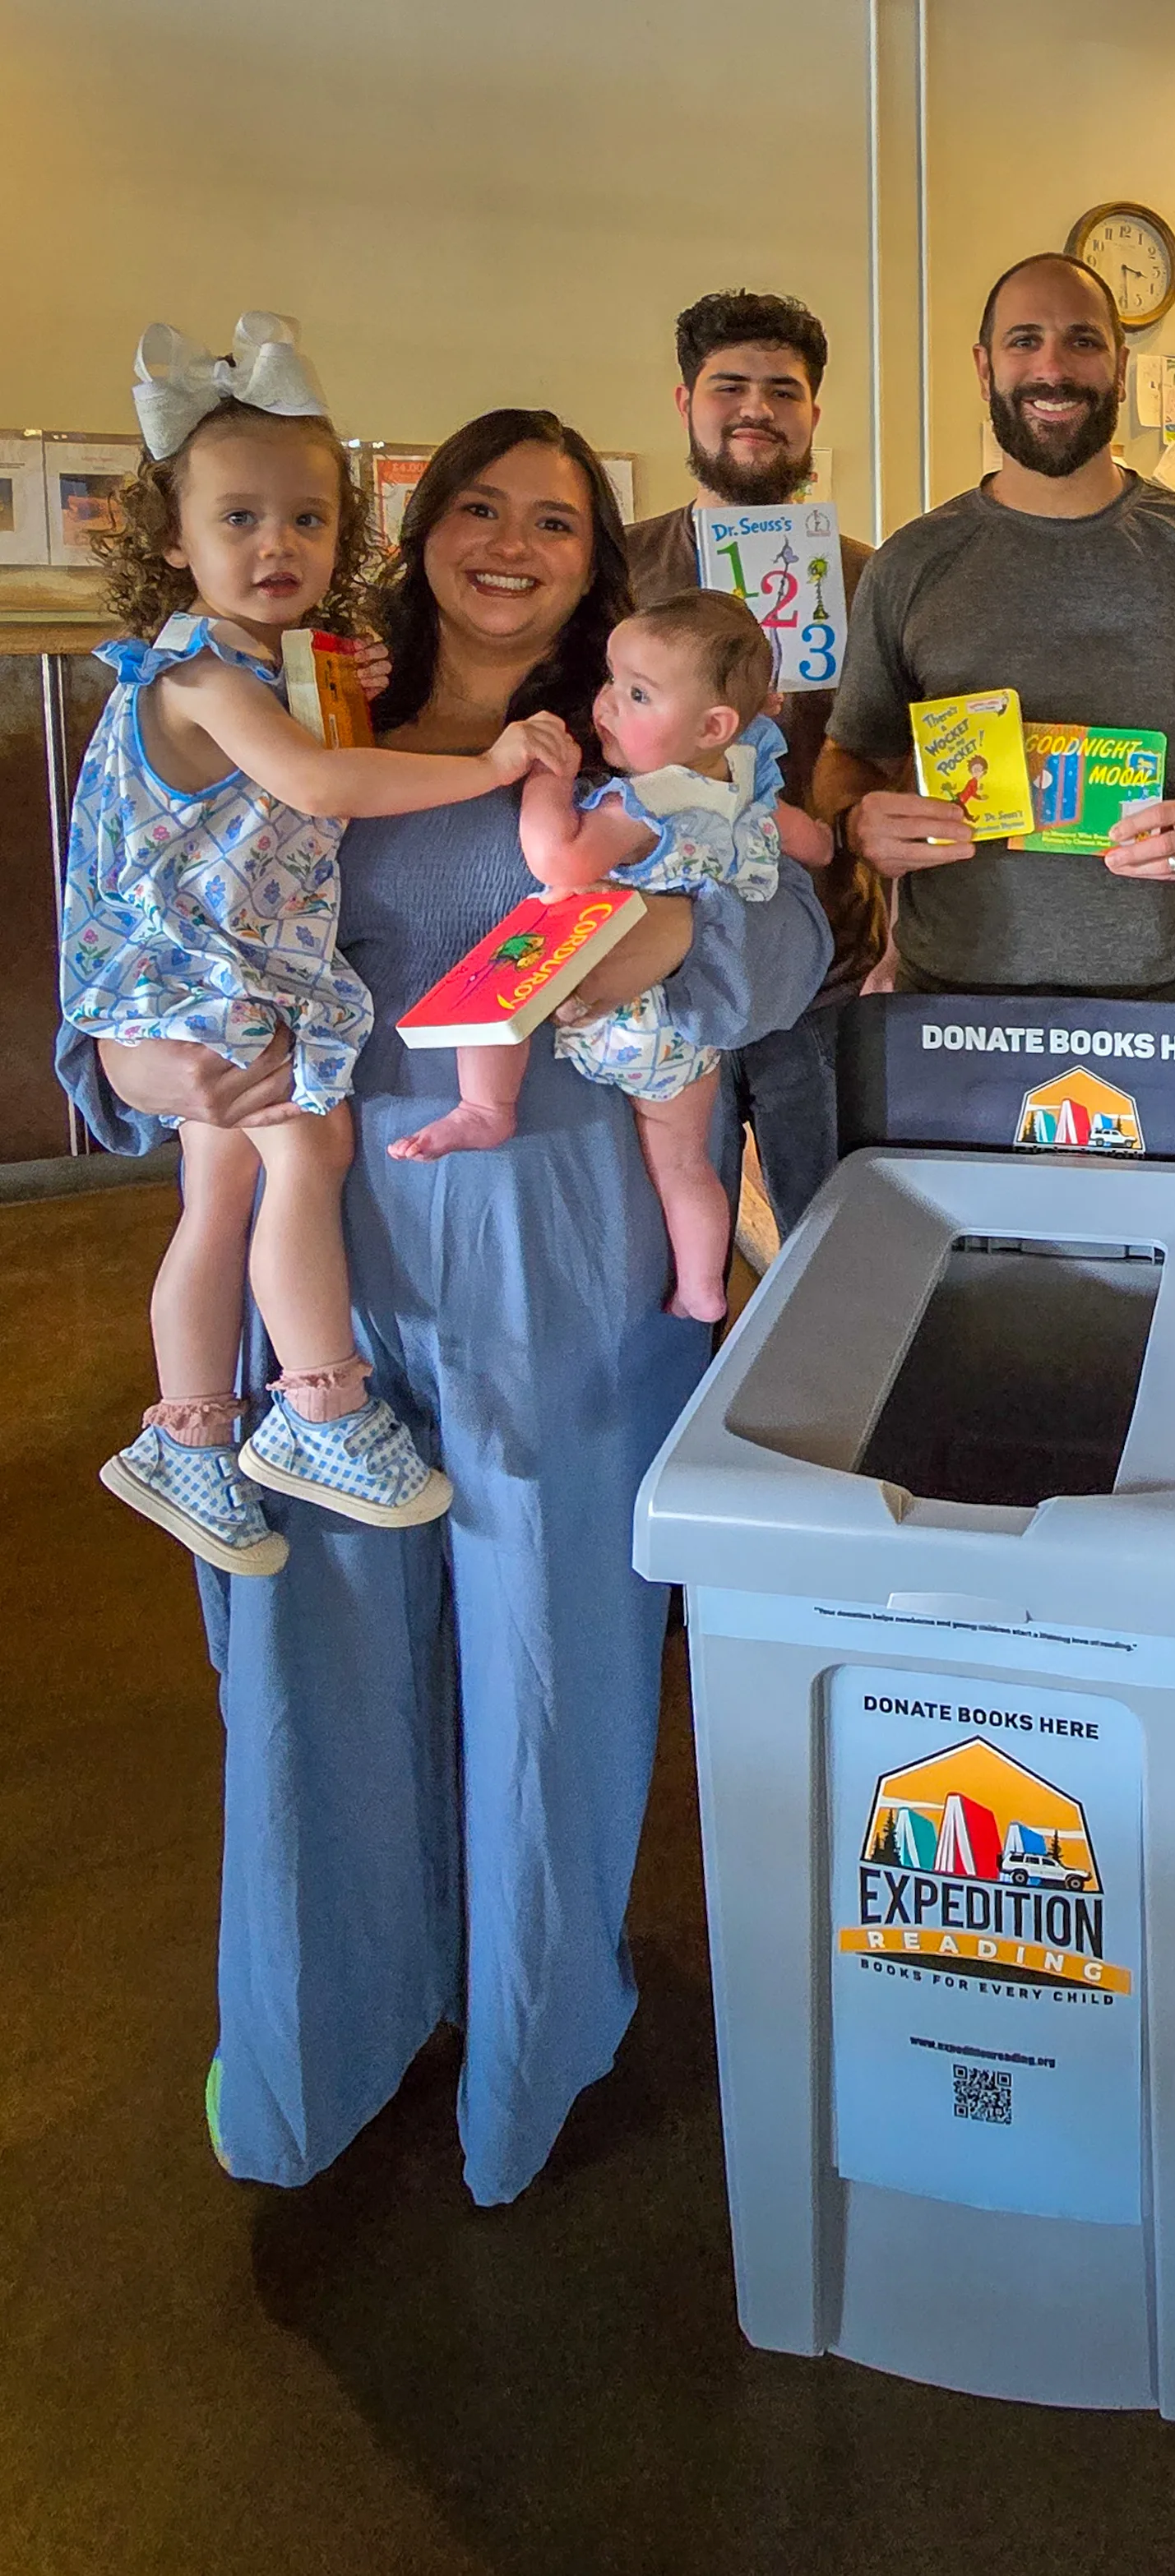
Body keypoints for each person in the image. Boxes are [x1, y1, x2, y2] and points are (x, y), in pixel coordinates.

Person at [58, 409, 832, 2203]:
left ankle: (533, 2044)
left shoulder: (643, 747)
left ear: (599, 556)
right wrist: (136, 1068)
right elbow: (133, 937)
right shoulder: (303, 726)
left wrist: (647, 949)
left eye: (555, 519)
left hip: (569, 1259)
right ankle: (324, 2040)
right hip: (328, 1261)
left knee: (552, 1668)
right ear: (414, 536)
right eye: (477, 506)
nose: (511, 541)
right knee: (318, 1662)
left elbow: (774, 939)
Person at [66, 314, 565, 1577]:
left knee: (217, 1196)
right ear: (173, 537)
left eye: (307, 520)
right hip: (204, 973)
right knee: (309, 1144)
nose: (276, 545)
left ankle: (188, 1433)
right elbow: (321, 786)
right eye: (238, 519)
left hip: (188, 969)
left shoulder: (245, 667)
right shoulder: (203, 680)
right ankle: (321, 1401)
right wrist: (495, 766)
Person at [814, 252, 1175, 1001]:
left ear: (1122, 364)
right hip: (950, 998)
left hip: (1156, 998)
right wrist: (855, 822)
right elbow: (848, 758)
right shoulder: (910, 564)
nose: (1053, 367)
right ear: (984, 369)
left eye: (1082, 341)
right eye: (1023, 341)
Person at [391, 590, 821, 1324]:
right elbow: (811, 843)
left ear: (711, 724)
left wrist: (548, 780)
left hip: (614, 1010)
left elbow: (559, 861)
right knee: (682, 1162)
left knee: (496, 988)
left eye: (638, 694)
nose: (607, 705)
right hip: (689, 1030)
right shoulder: (746, 780)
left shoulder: (645, 803)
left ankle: (484, 1107)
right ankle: (702, 1286)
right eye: (613, 681)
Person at [626, 289, 881, 1228]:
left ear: (813, 414)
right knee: (666, 1231)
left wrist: (899, 947)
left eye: (784, 390)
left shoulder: (864, 576)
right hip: (657, 964)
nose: (757, 409)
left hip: (824, 960)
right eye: (729, 385)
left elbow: (902, 757)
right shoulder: (622, 569)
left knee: (832, 1223)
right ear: (685, 401)